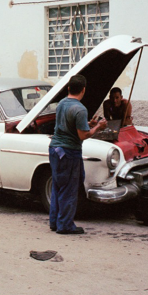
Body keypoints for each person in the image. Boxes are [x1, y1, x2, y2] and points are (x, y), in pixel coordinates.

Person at [49, 74, 107, 235]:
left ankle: (54, 222)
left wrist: (87, 124)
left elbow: (67, 125)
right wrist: (98, 128)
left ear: (68, 88)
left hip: (55, 150)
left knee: (58, 187)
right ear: (83, 90)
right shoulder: (80, 108)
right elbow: (83, 136)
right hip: (69, 152)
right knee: (69, 189)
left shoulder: (61, 104)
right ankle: (65, 225)